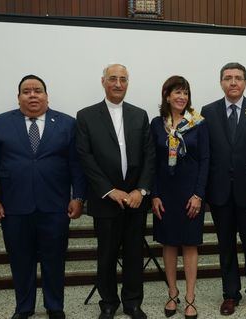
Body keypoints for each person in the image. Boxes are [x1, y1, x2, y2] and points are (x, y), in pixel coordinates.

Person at [0, 75, 86, 319]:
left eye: (37, 90)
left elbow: (77, 165)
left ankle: (54, 306)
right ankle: (24, 307)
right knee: (20, 260)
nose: (32, 95)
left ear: (46, 96)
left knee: (55, 260)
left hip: (55, 206)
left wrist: (78, 196)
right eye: (26, 91)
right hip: (15, 206)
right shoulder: (1, 123)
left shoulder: (67, 123)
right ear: (18, 98)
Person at [76, 64, 155, 319]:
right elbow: (85, 157)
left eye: (123, 79)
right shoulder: (86, 116)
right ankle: (108, 302)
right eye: (113, 79)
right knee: (106, 255)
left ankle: (132, 303)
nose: (118, 84)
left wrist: (140, 190)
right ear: (103, 82)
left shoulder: (140, 115)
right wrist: (110, 190)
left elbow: (149, 156)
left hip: (135, 200)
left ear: (128, 83)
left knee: (134, 254)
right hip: (105, 201)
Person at [201, 62, 246, 316]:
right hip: (220, 195)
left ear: (245, 82)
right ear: (221, 82)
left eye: (238, 78)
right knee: (226, 247)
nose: (233, 82)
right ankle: (230, 294)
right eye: (228, 78)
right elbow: (206, 156)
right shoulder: (207, 112)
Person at [150, 76, 209, 319]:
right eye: (177, 92)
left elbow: (206, 160)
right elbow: (151, 162)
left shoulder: (199, 123)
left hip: (190, 193)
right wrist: (153, 195)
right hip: (165, 193)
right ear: (166, 95)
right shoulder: (156, 124)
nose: (181, 97)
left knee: (189, 244)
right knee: (169, 243)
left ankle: (190, 297)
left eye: (185, 93)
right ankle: (172, 293)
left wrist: (198, 195)